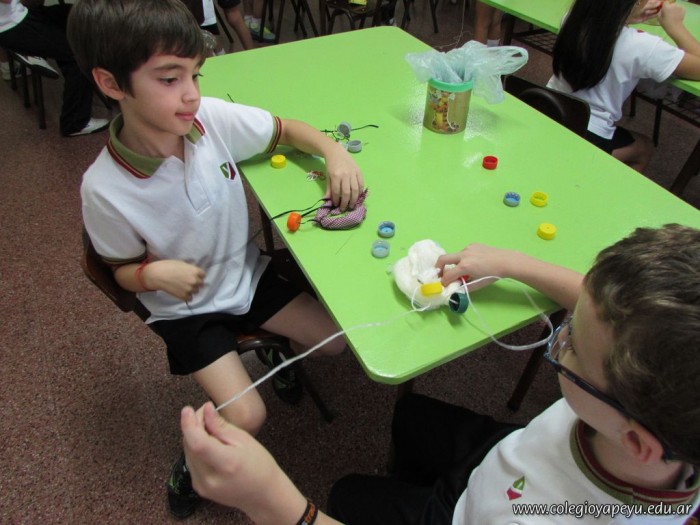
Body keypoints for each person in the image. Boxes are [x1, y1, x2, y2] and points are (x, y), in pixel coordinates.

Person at [180, 224, 700, 524]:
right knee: (410, 415)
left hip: (475, 511)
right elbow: (601, 304)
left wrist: (277, 504)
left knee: (345, 496)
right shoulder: (655, 413)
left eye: (570, 346)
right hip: (508, 456)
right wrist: (512, 263)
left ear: (637, 442)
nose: (558, 339)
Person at [66, 0, 364, 518]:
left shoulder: (208, 119)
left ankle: (274, 355)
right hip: (185, 310)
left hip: (243, 273)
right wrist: (152, 273)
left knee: (334, 342)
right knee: (247, 415)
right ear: (112, 84)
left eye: (195, 74)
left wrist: (334, 153)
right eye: (169, 78)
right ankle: (191, 465)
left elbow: (287, 130)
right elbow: (119, 273)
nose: (191, 94)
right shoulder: (104, 189)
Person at [547, 0, 700, 173]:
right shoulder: (643, 46)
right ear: (635, 3)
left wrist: (627, 16)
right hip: (589, 133)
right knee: (645, 147)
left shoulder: (571, 18)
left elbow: (604, 30)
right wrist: (675, 26)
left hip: (548, 109)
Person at [0, 0, 108, 136]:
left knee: (75, 15)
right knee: (77, 57)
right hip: (12, 26)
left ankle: (41, 52)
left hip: (19, 16)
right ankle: (75, 123)